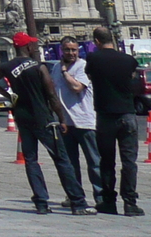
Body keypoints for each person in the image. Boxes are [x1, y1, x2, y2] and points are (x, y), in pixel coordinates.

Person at [0, 33, 94, 216]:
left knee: (31, 160)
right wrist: (61, 118)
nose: (34, 48)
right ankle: (78, 203)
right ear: (27, 47)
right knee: (61, 159)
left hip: (22, 117)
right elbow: (51, 95)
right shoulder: (39, 67)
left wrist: (8, 95)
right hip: (43, 118)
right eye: (32, 45)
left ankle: (41, 202)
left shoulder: (7, 66)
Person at [85, 25, 145, 217]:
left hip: (105, 115)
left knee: (107, 161)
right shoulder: (129, 60)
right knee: (129, 161)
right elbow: (133, 79)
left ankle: (108, 201)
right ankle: (130, 202)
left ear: (96, 42)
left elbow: (90, 76)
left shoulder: (93, 58)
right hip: (127, 114)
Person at [49, 37, 99, 207]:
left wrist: (65, 72)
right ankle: (75, 196)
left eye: (74, 50)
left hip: (85, 121)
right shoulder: (55, 67)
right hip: (65, 123)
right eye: (67, 49)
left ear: (78, 50)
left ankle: (100, 197)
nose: (71, 53)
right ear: (61, 50)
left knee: (94, 162)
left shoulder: (83, 66)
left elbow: (76, 87)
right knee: (70, 164)